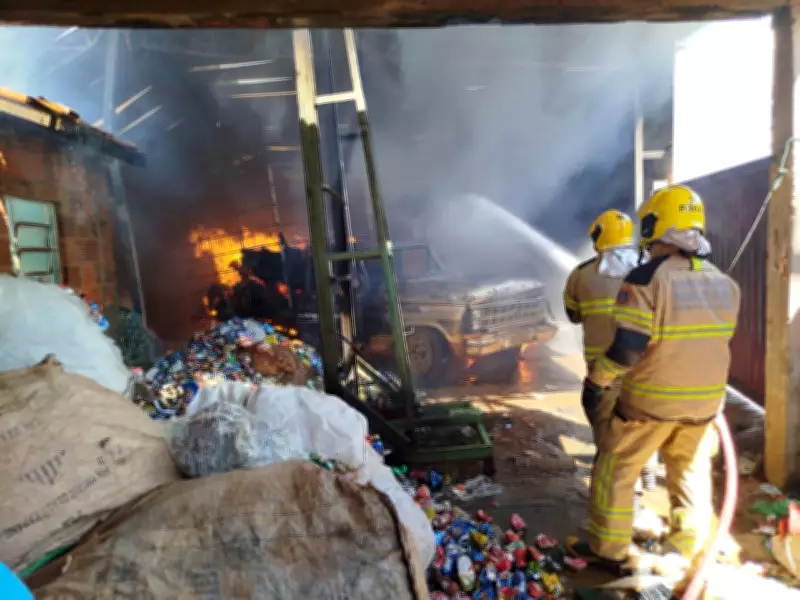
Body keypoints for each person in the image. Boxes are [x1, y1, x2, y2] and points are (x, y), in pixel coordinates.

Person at [565, 185, 741, 573]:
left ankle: (608, 550)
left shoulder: (646, 278)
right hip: (706, 406)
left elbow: (628, 345)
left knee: (616, 467)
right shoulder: (723, 282)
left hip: (650, 403)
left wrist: (598, 380)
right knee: (689, 475)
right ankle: (686, 549)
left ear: (654, 226)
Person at [563, 210, 658, 490]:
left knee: (608, 432)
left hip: (602, 374)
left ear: (598, 236)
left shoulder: (581, 275)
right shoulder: (650, 271)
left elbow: (573, 315)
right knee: (644, 423)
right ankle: (648, 472)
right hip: (644, 368)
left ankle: (625, 495)